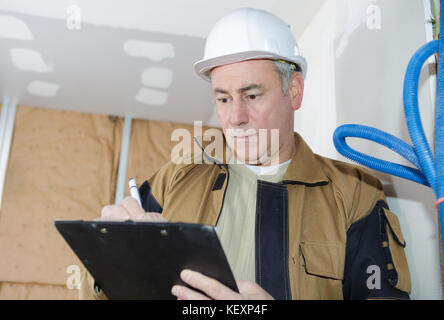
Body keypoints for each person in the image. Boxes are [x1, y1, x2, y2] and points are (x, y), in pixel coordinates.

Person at [79, 8, 411, 300]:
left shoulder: (355, 193)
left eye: (251, 95)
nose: (235, 117)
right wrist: (109, 255)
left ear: (293, 91)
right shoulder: (177, 177)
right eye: (223, 99)